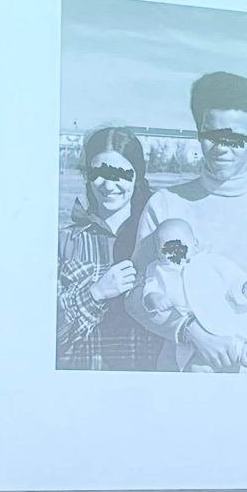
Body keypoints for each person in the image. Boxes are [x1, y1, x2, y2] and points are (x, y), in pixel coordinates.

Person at [126, 72, 247, 373]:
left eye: (234, 138)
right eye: (211, 136)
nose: (221, 148)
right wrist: (190, 331)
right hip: (180, 387)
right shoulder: (165, 204)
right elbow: (136, 296)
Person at [57, 127, 158, 371]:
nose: (108, 184)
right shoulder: (65, 241)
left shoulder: (157, 240)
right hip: (84, 388)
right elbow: (43, 336)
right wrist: (95, 293)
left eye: (120, 173)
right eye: (99, 173)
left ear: (137, 176)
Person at [139, 218, 247, 373]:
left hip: (221, 317)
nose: (174, 252)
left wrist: (244, 291)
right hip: (192, 333)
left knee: (235, 338)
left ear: (194, 244)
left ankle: (246, 353)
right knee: (197, 366)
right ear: (157, 252)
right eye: (166, 248)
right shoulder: (157, 270)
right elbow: (149, 292)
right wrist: (154, 299)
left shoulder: (210, 261)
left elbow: (233, 280)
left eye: (179, 245)